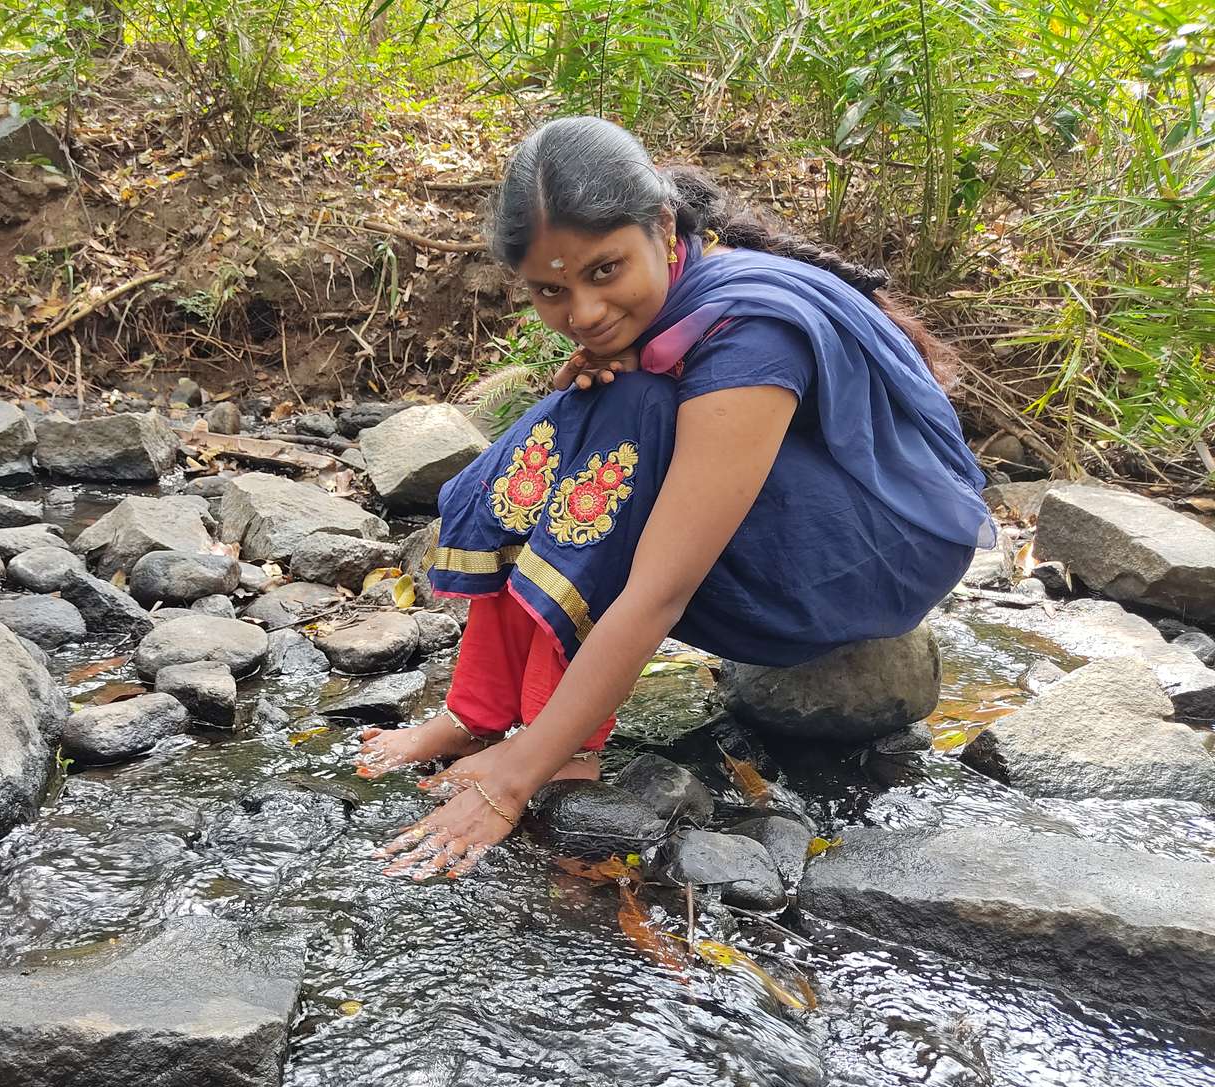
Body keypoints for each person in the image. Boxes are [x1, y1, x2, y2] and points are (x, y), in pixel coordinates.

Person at [361, 116, 994, 879]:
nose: (584, 314)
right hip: (812, 520)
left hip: (869, 561)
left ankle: (557, 749)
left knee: (623, 424)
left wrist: (515, 779)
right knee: (580, 416)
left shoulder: (751, 332)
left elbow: (660, 590)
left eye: (604, 272)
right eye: (550, 291)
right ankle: (481, 713)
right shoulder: (670, 308)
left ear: (663, 227)